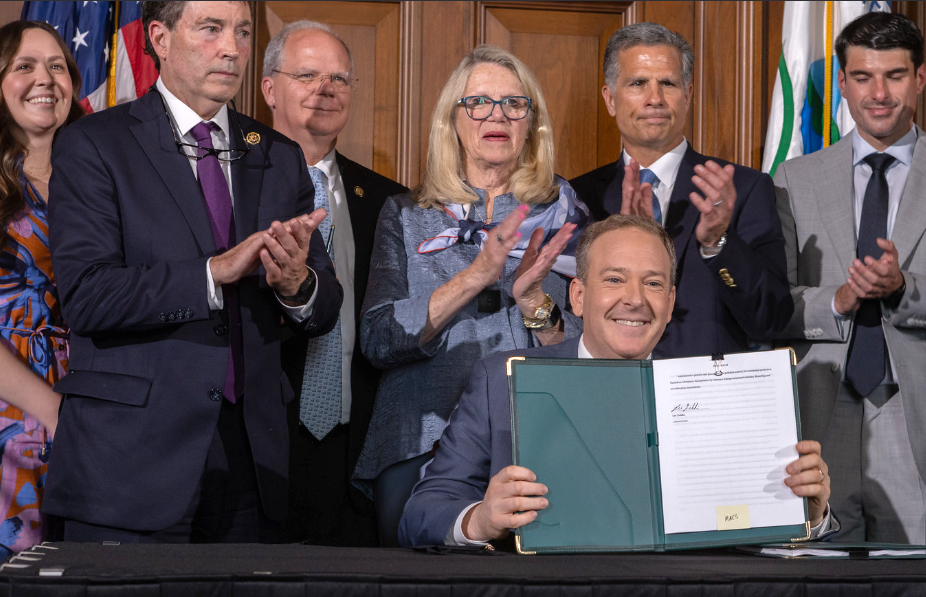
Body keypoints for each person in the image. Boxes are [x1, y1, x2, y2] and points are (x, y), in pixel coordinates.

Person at [44, 1, 342, 543]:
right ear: (160, 38)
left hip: (251, 462)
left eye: (243, 32)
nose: (232, 48)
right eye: (211, 29)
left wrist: (296, 285)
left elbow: (323, 307)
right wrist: (212, 272)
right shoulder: (94, 143)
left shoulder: (278, 155)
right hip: (129, 465)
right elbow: (87, 296)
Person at [399, 215, 834, 547]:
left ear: (670, 303)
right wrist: (481, 519)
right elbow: (420, 514)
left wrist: (808, 514)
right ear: (578, 296)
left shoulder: (717, 391)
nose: (635, 299)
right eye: (614, 279)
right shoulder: (500, 379)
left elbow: (747, 527)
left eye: (653, 283)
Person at [773, 12, 926, 548]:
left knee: (919, 576)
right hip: (821, 409)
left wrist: (903, 288)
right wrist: (839, 299)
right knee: (818, 575)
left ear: (920, 78)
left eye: (895, 76)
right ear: (842, 83)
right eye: (862, 77)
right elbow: (775, 306)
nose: (879, 93)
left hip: (917, 415)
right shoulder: (794, 177)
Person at [354, 44, 587, 545]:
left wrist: (536, 305)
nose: (496, 115)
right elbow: (377, 339)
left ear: (532, 123)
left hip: (539, 440)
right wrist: (474, 277)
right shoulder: (406, 214)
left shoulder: (567, 217)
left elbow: (590, 352)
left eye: (514, 103)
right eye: (478, 102)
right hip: (422, 441)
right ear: (452, 120)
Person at [261, 20, 408, 547]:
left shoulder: (389, 201)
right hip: (261, 443)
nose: (325, 89)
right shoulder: (233, 185)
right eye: (307, 75)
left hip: (357, 451)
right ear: (269, 88)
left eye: (339, 79)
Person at [569, 22, 791, 358]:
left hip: (707, 386)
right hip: (610, 383)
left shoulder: (744, 189)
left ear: (687, 96)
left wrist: (718, 243)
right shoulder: (579, 197)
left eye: (668, 84)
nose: (655, 99)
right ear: (610, 99)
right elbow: (573, 313)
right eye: (638, 83)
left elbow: (771, 319)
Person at [0, 20, 83, 559]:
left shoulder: (99, 179)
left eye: (57, 66)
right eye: (24, 66)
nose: (45, 79)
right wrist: (50, 411)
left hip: (93, 409)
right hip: (6, 411)